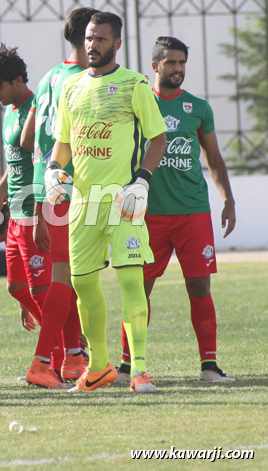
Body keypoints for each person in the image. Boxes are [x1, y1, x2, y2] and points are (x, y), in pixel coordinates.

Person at [46, 11, 167, 393]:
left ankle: (140, 371)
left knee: (131, 279)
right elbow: (63, 142)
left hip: (123, 200)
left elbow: (157, 138)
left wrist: (142, 181)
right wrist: (52, 170)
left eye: (100, 39)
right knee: (82, 284)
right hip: (84, 204)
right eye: (88, 38)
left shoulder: (134, 84)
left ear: (117, 43)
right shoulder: (71, 87)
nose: (92, 45)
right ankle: (99, 367)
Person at [116, 36, 236, 383]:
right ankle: (127, 366)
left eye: (182, 62)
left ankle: (209, 367)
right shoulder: (138, 102)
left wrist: (228, 199)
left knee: (199, 287)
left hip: (192, 211)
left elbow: (214, 158)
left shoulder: (198, 108)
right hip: (147, 214)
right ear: (155, 66)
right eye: (170, 62)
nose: (178, 68)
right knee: (139, 289)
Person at [17, 7, 98, 384]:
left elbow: (27, 139)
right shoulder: (86, 80)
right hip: (74, 188)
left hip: (48, 188)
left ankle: (73, 360)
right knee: (69, 277)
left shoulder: (49, 77)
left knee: (69, 276)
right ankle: (44, 364)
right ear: (89, 39)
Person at [0, 44, 66, 390]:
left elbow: (42, 161)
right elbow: (14, 163)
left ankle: (62, 358)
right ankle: (66, 349)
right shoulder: (10, 112)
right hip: (14, 213)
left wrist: (40, 211)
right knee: (17, 288)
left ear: (18, 81)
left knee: (43, 289)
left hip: (33, 211)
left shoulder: (37, 109)